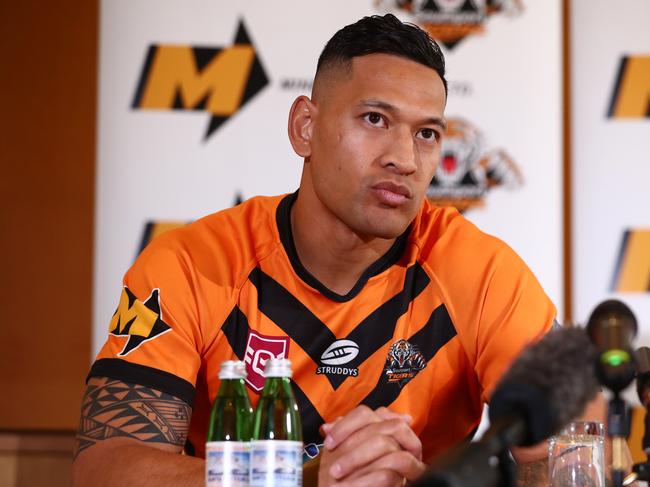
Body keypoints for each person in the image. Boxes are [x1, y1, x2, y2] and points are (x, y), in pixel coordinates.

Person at [73, 13, 580, 487]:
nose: (404, 159)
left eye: (426, 133)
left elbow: (573, 456)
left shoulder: (482, 272)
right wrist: (301, 478)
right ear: (305, 128)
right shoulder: (192, 263)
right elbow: (105, 464)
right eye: (375, 119)